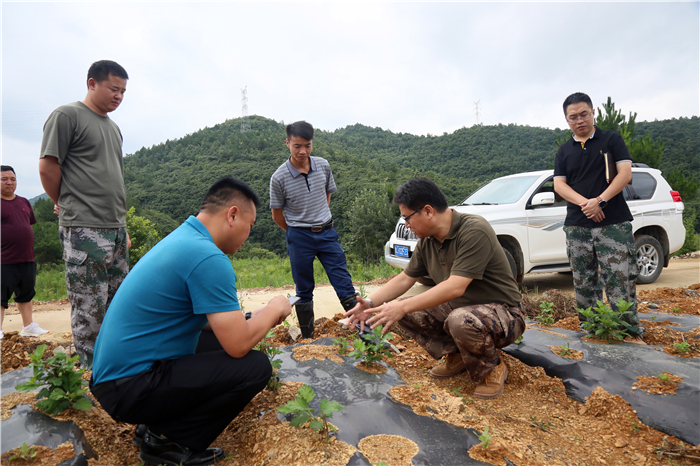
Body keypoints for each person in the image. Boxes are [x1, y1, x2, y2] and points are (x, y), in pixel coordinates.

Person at [91, 177, 291, 466]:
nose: (249, 234)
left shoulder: (184, 240)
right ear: (232, 215)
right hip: (131, 387)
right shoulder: (208, 257)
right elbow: (237, 345)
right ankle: (168, 442)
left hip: (115, 380)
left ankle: (152, 426)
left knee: (211, 343)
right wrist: (275, 308)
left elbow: (207, 322)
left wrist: (253, 317)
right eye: (251, 224)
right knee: (254, 367)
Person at [345, 177, 525, 399]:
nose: (407, 225)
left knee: (457, 320)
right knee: (406, 310)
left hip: (504, 314)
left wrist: (400, 307)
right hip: (463, 311)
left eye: (407, 218)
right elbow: (405, 279)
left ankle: (491, 366)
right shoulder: (428, 241)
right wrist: (370, 304)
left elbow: (455, 287)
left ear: (428, 211)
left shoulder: (474, 230)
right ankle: (458, 355)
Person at [38, 60, 131, 367]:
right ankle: (91, 370)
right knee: (89, 306)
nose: (118, 96)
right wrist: (65, 201)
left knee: (118, 302)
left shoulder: (113, 128)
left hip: (114, 227)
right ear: (92, 83)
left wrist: (123, 227)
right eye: (113, 88)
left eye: (123, 91)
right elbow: (49, 165)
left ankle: (116, 363)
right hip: (84, 228)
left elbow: (113, 177)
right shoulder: (68, 116)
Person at [553, 92, 643, 342]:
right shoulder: (563, 151)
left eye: (583, 114)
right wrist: (586, 204)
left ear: (593, 113)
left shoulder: (611, 139)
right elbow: (560, 186)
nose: (579, 120)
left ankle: (628, 332)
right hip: (577, 226)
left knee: (620, 278)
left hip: (612, 223)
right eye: (573, 117)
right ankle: (592, 331)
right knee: (584, 281)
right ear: (566, 120)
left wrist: (600, 201)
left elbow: (624, 174)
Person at [270, 121, 357, 338]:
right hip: (299, 237)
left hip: (327, 233)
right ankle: (308, 339)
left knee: (344, 283)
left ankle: (364, 333)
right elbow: (277, 215)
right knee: (304, 289)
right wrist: (296, 231)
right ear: (288, 143)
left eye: (307, 145)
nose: (302, 151)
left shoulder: (323, 166)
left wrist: (318, 220)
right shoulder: (278, 177)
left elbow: (326, 197)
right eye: (297, 145)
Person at [1, 166, 49, 340]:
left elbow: (28, 226)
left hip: (27, 257)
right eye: (4, 179)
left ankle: (28, 327)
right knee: (1, 296)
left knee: (26, 294)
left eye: (13, 179)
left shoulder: (24, 202)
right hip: (3, 259)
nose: (9, 182)